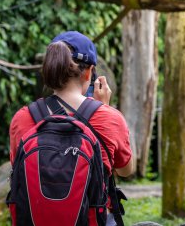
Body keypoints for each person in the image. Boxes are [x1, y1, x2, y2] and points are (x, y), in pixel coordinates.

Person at [9, 31, 133, 225]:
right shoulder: (109, 118)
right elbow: (125, 170)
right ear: (88, 72)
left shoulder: (23, 118)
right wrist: (105, 108)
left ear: (49, 69)